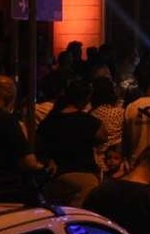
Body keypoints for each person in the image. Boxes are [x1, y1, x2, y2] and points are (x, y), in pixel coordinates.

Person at [35, 78, 102, 206]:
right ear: (85, 98)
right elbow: (103, 136)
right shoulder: (88, 121)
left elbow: (39, 144)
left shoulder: (50, 120)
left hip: (56, 177)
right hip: (84, 176)